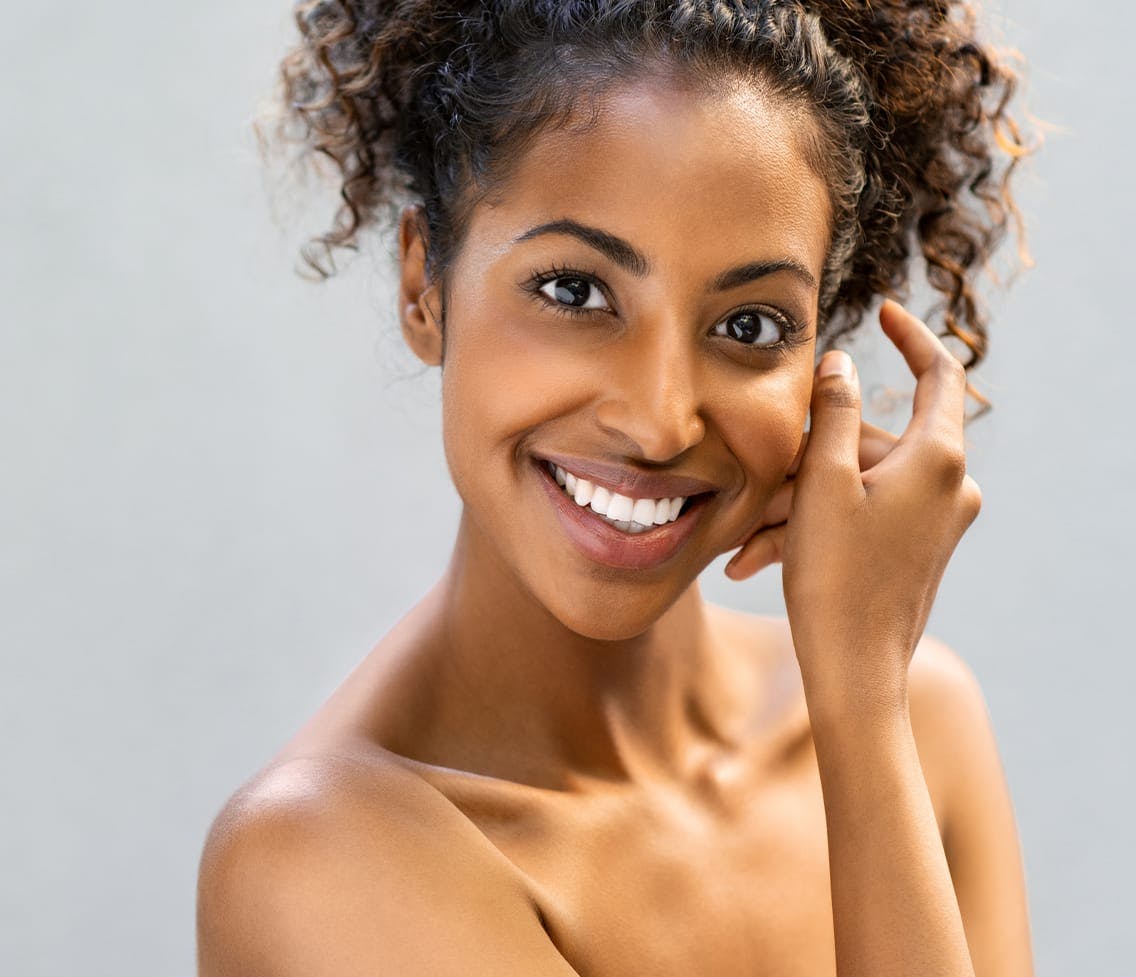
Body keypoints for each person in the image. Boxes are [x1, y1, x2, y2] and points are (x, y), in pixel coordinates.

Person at [197, 1, 1036, 974]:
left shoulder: (919, 721)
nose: (657, 420)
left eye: (752, 325)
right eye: (574, 291)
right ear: (425, 284)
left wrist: (861, 700)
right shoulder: (320, 859)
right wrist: (859, 703)